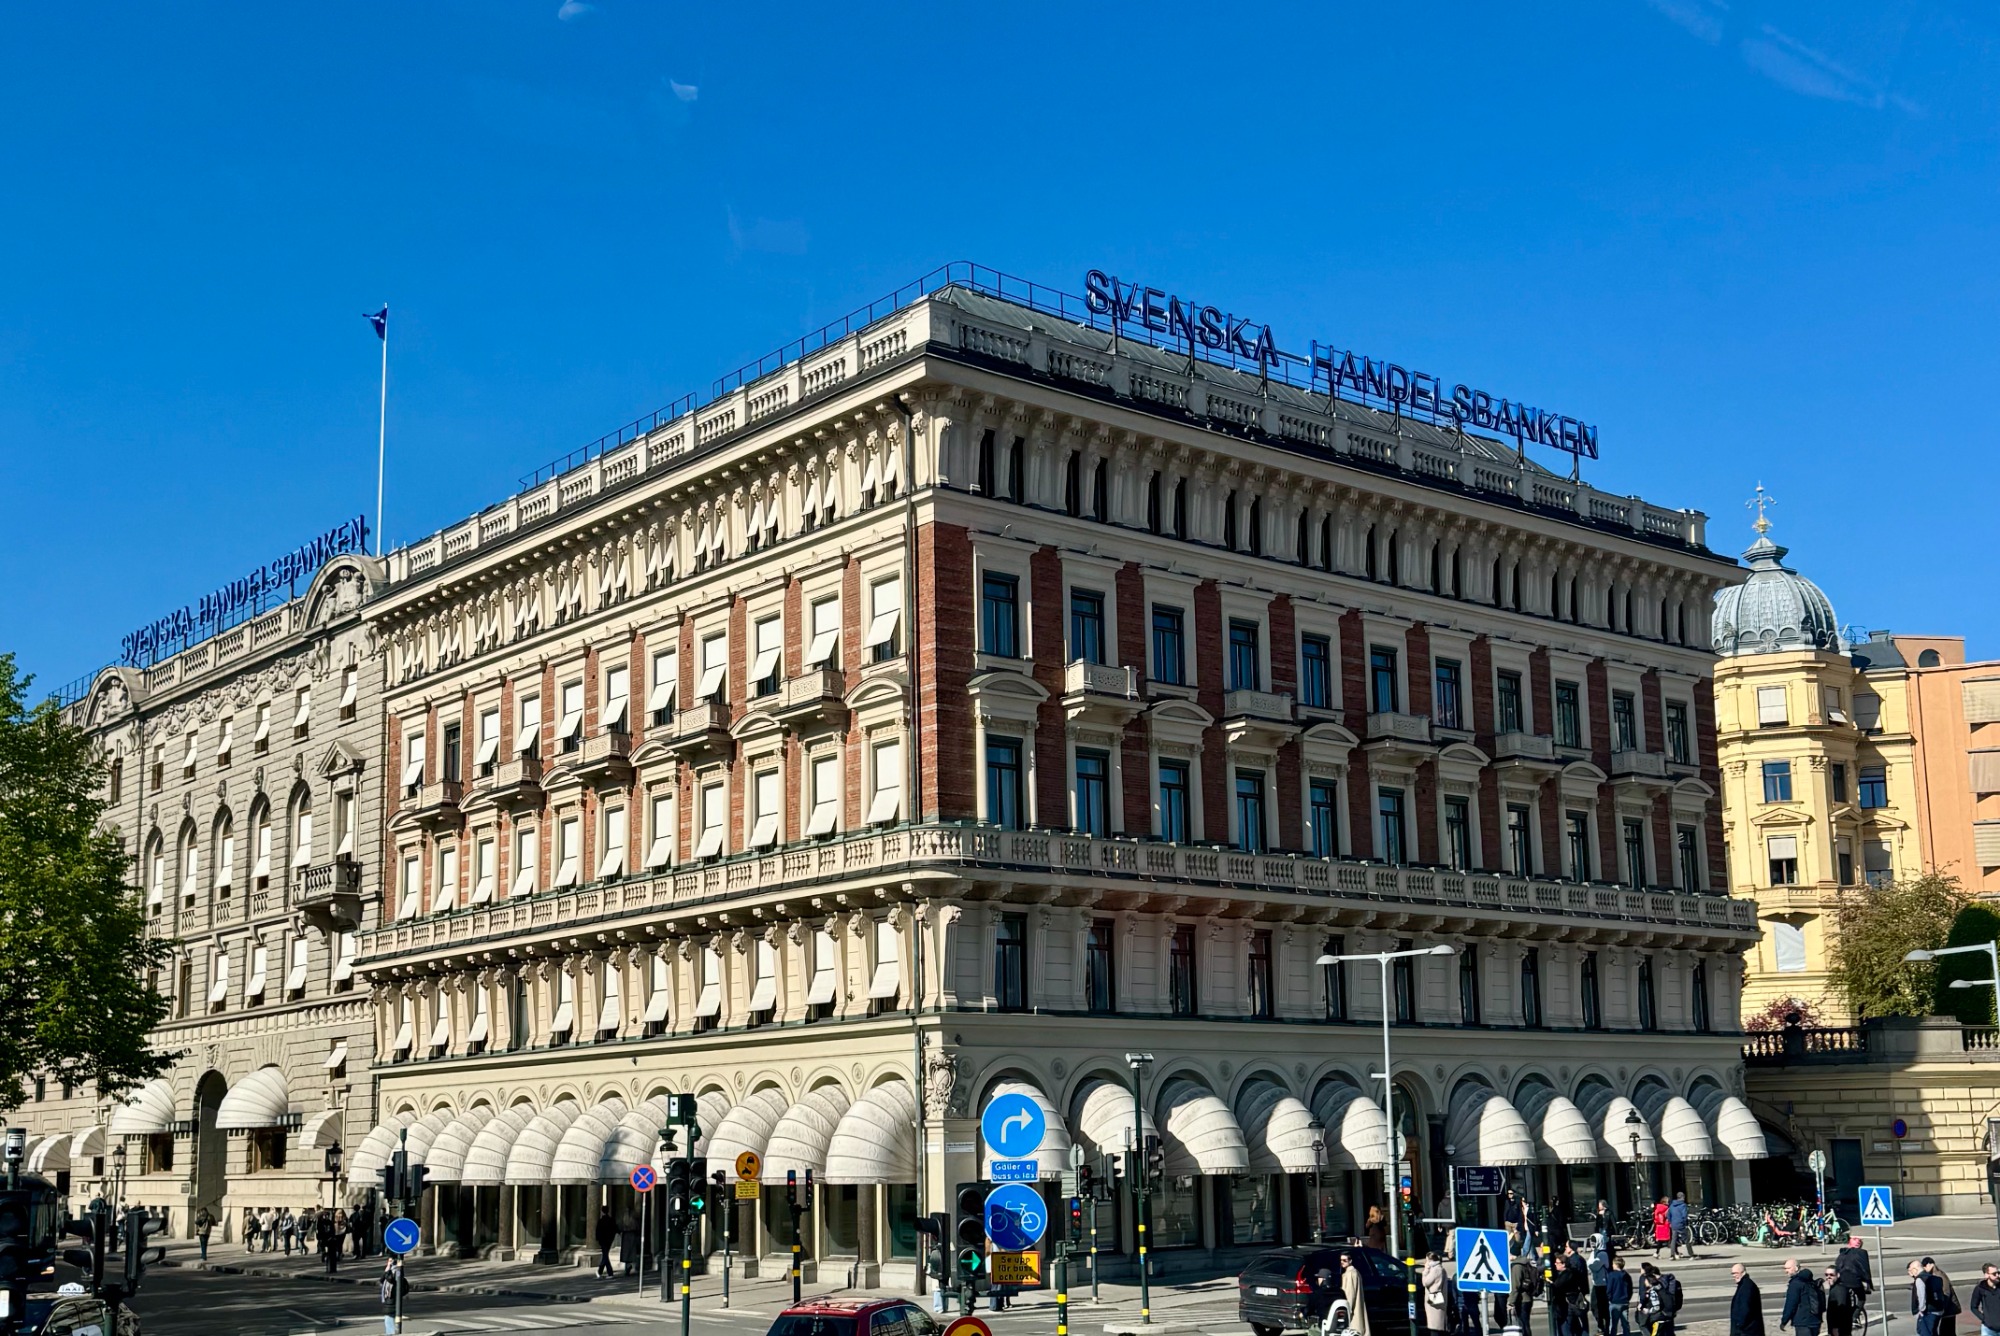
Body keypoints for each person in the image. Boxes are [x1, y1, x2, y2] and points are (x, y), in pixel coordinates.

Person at [1781, 1258, 1826, 1336]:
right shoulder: (1810, 1281)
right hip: (1815, 1320)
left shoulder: (1795, 1284)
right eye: (1785, 1268)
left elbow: (1791, 1304)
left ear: (1796, 1268)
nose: (1786, 1271)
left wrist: (1784, 1321)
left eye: (1788, 1268)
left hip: (1802, 1322)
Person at [1927, 1258, 1961, 1336]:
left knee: (1946, 1331)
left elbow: (1946, 1292)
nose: (1924, 1269)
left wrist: (1942, 1307)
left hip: (1949, 1309)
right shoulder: (1934, 1275)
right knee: (1947, 1331)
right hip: (1947, 1309)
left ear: (1931, 1265)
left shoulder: (1939, 1275)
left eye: (1925, 1266)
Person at [1342, 1251, 1372, 1336]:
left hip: (1353, 1311)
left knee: (1355, 1331)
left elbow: (1350, 1294)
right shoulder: (1355, 1272)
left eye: (1344, 1260)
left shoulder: (1350, 1274)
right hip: (1357, 1307)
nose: (1342, 1262)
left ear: (1350, 1261)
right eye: (1341, 1260)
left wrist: (1347, 1310)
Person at [1837, 1237, 1875, 1302]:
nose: (1858, 1241)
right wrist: (1869, 1284)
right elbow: (1865, 1269)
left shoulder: (1843, 1252)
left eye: (1860, 1240)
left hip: (1842, 1282)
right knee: (1862, 1298)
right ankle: (1857, 1309)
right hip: (1855, 1281)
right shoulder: (1862, 1253)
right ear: (1849, 1241)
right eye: (1855, 1239)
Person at [1733, 1264, 1767, 1336]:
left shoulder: (1746, 1287)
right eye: (1733, 1273)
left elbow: (1745, 1308)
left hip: (1748, 1330)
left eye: (1736, 1273)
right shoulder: (1744, 1285)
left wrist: (1739, 1325)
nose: (1734, 1275)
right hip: (1748, 1329)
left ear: (1743, 1272)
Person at [1424, 1252, 1451, 1335]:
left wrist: (1425, 1270)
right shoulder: (1439, 1268)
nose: (1426, 1262)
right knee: (1436, 1326)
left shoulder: (1436, 1270)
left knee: (1435, 1326)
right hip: (1437, 1299)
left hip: (1435, 1300)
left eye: (1427, 1260)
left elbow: (1425, 1282)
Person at [1914, 1259, 1943, 1336]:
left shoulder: (1920, 1279)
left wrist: (1921, 1310)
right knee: (1933, 1332)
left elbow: (1922, 1296)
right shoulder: (1937, 1277)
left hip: (1928, 1312)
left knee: (1925, 1332)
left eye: (1910, 1270)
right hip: (1937, 1310)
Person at [1606, 1256, 1634, 1336]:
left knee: (1613, 1324)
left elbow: (1609, 1289)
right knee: (1625, 1323)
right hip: (1625, 1301)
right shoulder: (1627, 1275)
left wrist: (1609, 1298)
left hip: (1615, 1302)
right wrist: (1628, 1298)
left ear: (1616, 1265)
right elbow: (1630, 1289)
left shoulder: (1612, 1275)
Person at [1969, 1264, 2000, 1336]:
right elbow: (1973, 1307)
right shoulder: (1980, 1288)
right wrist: (1984, 1318)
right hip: (1988, 1329)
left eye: (1998, 1273)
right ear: (1986, 1275)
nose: (1998, 1275)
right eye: (1994, 1274)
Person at [1826, 1267, 1855, 1336]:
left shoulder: (1839, 1290)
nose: (1828, 1277)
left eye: (1831, 1275)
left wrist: (1835, 1327)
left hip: (1841, 1329)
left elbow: (1841, 1310)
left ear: (1838, 1275)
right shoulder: (1834, 1287)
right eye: (1826, 1275)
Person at [594, 1207, 617, 1279]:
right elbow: (615, 1229)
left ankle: (606, 1272)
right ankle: (602, 1272)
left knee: (605, 1256)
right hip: (609, 1240)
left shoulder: (601, 1221)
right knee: (605, 1255)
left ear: (602, 1212)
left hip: (603, 1241)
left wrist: (598, 1239)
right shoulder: (611, 1220)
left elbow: (598, 1231)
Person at [1668, 1194, 1691, 1260]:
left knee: (1673, 1240)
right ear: (1682, 1197)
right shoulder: (1683, 1205)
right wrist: (1684, 1222)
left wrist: (1671, 1221)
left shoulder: (1672, 1205)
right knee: (1686, 1239)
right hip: (1680, 1224)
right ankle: (1691, 1254)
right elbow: (1684, 1215)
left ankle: (1672, 1255)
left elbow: (1668, 1215)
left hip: (1674, 1224)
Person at [317, 1207, 339, 1276]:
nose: (326, 1217)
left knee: (331, 1254)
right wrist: (320, 1238)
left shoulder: (330, 1222)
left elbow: (332, 1231)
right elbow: (319, 1231)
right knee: (326, 1253)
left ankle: (331, 1268)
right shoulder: (320, 1222)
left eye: (327, 1215)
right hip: (324, 1239)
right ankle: (328, 1266)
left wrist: (332, 1237)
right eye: (325, 1215)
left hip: (330, 1240)